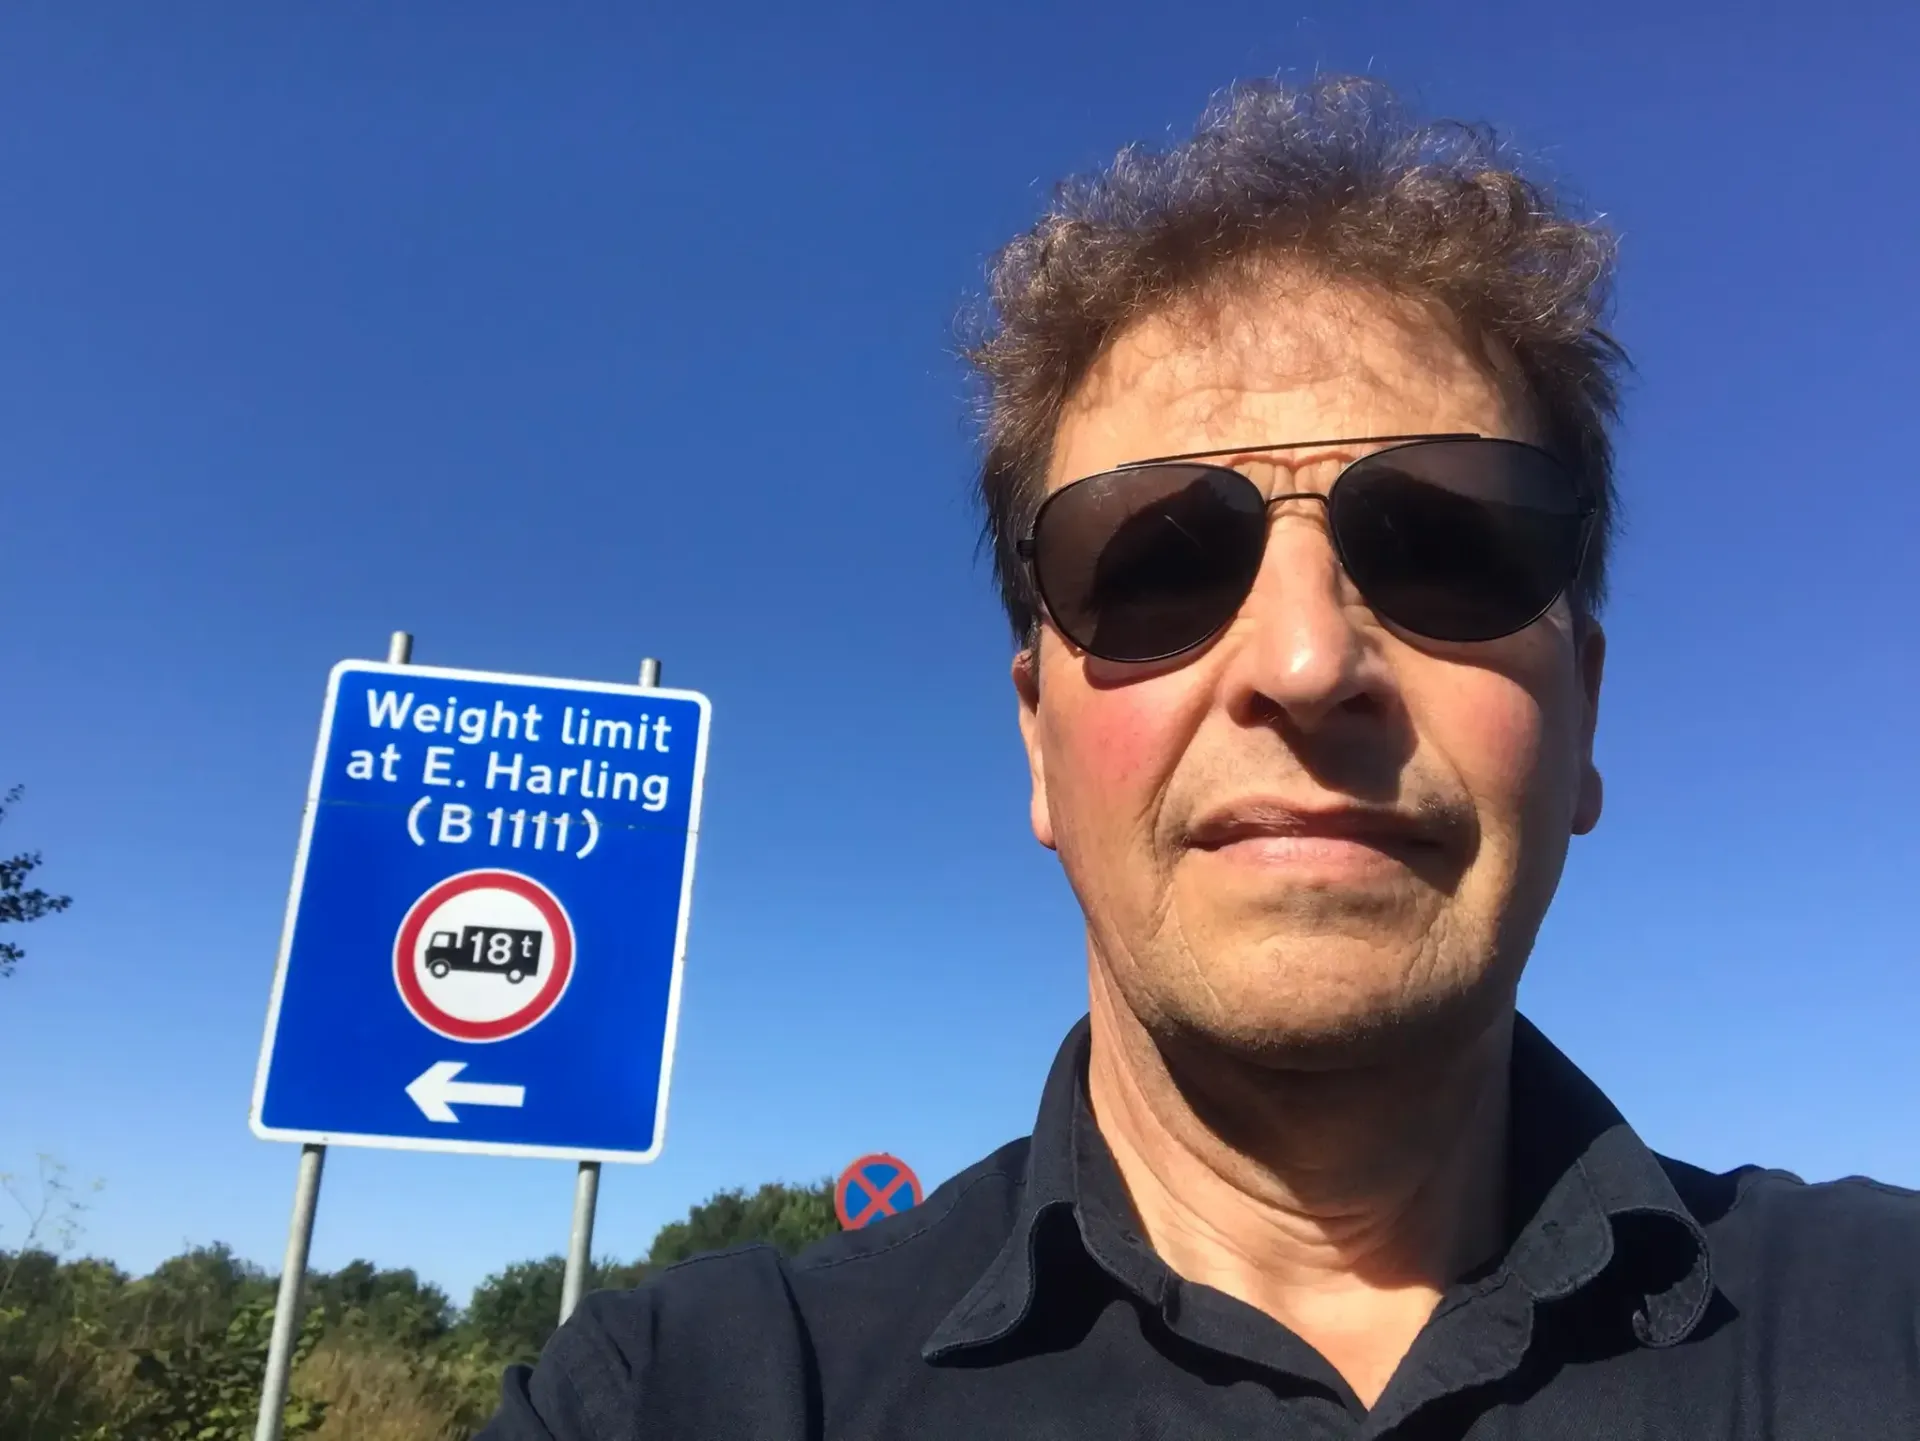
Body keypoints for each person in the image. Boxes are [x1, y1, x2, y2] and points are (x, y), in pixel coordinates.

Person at [481, 76, 1919, 1439]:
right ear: (1038, 742)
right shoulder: (687, 1395)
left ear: (1586, 718)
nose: (1306, 665)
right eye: (1159, 570)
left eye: (1448, 551)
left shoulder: (1885, 1330)